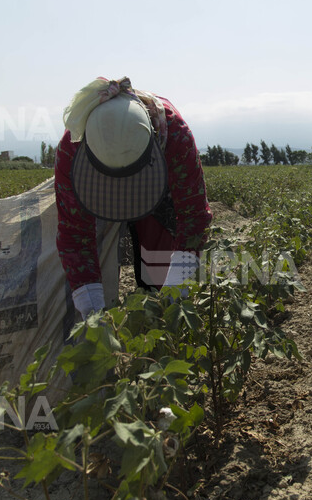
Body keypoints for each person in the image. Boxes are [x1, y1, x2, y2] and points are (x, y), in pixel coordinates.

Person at [54, 77, 212, 319]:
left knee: (158, 257)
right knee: (84, 280)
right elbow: (74, 233)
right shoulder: (71, 148)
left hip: (160, 199)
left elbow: (193, 219)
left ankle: (159, 311)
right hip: (97, 194)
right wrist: (91, 308)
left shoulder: (175, 136)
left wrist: (175, 290)